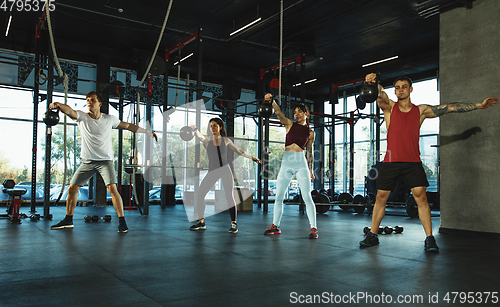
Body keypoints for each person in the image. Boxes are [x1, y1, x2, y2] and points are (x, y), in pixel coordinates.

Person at [360, 73, 498, 251]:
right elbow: (380, 95)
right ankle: (372, 235)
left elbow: (448, 108)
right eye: (397, 87)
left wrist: (478, 105)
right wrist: (372, 82)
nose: (400, 90)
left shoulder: (421, 111)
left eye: (403, 87)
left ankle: (429, 238)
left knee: (421, 199)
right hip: (391, 161)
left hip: (412, 162)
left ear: (410, 89)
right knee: (380, 198)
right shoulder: (389, 107)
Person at [50, 91, 158, 233]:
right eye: (88, 100)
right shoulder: (82, 117)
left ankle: (122, 222)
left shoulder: (109, 119)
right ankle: (68, 220)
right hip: (87, 161)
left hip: (105, 161)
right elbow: (69, 110)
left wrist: (147, 132)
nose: (89, 102)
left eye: (93, 100)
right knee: (72, 189)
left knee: (112, 189)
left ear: (99, 104)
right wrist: (58, 105)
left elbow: (128, 126)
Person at [189, 118, 261, 233]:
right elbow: (200, 136)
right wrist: (195, 129)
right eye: (211, 126)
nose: (212, 128)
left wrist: (252, 157)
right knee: (200, 194)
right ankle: (201, 222)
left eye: (215, 126)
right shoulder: (207, 140)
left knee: (229, 196)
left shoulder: (226, 140)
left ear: (220, 127)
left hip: (225, 170)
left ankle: (234, 224)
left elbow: (239, 151)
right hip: (213, 171)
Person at [263, 94, 319, 239]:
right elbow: (278, 112)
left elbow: (310, 152)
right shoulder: (289, 124)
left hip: (301, 164)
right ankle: (275, 225)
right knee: (279, 196)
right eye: (294, 112)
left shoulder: (311, 132)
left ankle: (314, 229)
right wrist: (272, 101)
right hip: (286, 163)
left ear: (306, 113)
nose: (296, 114)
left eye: (299, 111)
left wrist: (311, 170)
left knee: (307, 196)